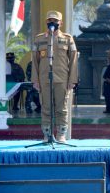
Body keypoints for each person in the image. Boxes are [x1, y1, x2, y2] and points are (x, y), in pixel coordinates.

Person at [31, 10, 78, 143]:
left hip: (62, 79)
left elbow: (74, 59)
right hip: (44, 78)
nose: (52, 23)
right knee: (45, 107)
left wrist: (72, 80)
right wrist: (35, 80)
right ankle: (47, 134)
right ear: (46, 22)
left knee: (61, 107)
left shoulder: (68, 39)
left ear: (60, 23)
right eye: (50, 20)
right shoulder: (39, 39)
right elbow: (34, 60)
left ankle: (61, 134)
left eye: (55, 21)